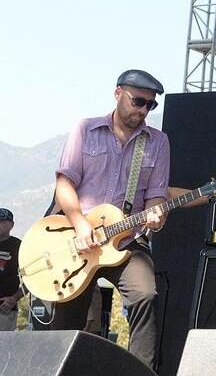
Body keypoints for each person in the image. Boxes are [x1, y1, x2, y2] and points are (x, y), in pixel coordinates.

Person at [49, 70, 169, 369]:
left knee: (146, 296)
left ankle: (140, 372)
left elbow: (156, 195)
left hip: (126, 239)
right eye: (138, 101)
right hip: (78, 239)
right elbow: (64, 183)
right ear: (118, 94)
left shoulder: (157, 141)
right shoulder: (85, 129)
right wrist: (79, 222)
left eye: (150, 105)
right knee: (68, 318)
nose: (143, 110)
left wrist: (156, 213)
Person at [0, 208, 21, 331]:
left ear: (11, 225)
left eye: (2, 222)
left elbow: (33, 279)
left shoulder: (19, 246)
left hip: (5, 309)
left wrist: (14, 298)